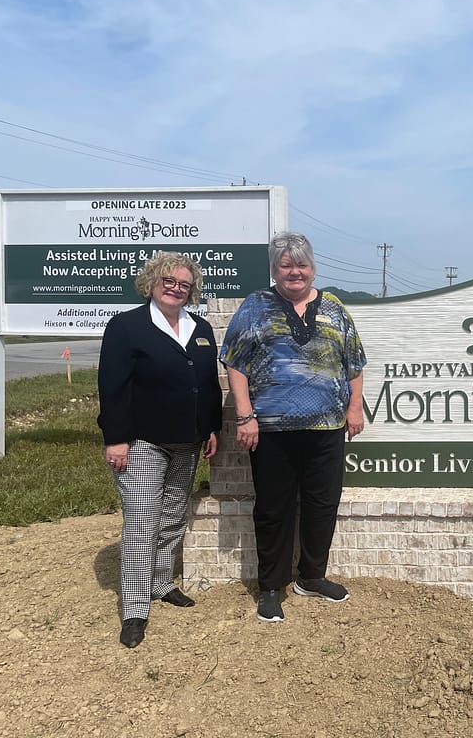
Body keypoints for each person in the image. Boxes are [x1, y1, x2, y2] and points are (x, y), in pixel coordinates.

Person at [220, 232, 366, 623]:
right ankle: (271, 587)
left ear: (312, 267)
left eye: (301, 264)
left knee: (322, 505)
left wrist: (355, 408)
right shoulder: (256, 307)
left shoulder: (334, 308)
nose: (294, 272)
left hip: (327, 429)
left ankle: (312, 577)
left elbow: (354, 363)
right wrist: (245, 415)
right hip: (271, 431)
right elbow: (235, 362)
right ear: (275, 269)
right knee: (273, 509)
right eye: (286, 265)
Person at [97, 252, 221, 649]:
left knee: (171, 516)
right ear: (152, 281)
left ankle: (161, 582)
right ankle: (134, 608)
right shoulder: (127, 327)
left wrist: (213, 427)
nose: (176, 288)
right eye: (169, 280)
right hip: (142, 442)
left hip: (188, 441)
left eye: (184, 284)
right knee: (141, 522)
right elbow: (112, 386)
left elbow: (208, 383)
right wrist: (115, 438)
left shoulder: (199, 328)